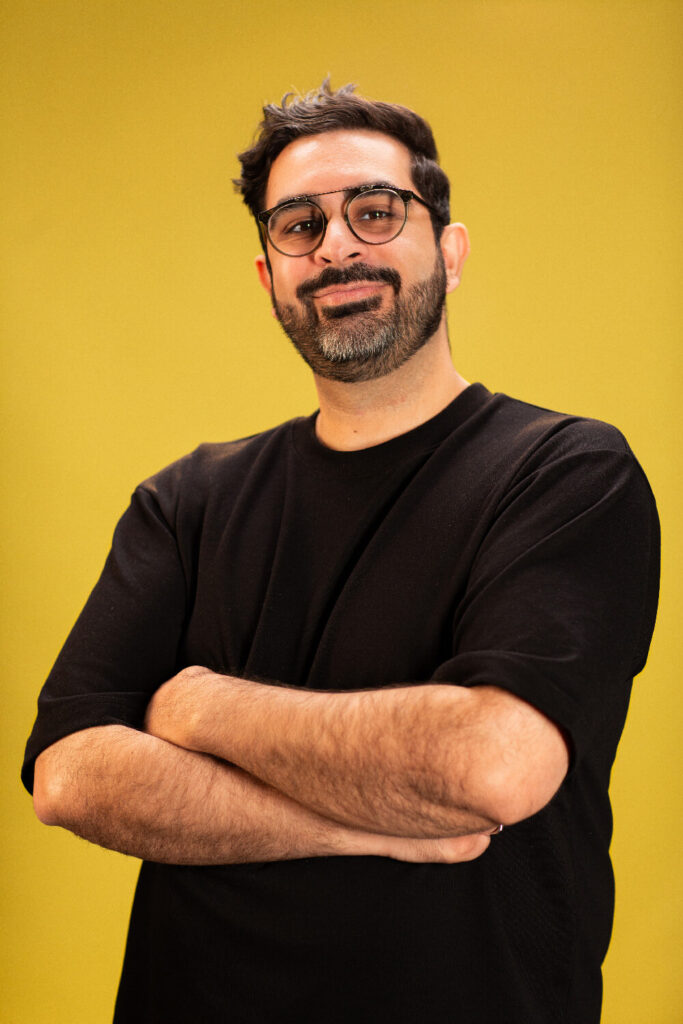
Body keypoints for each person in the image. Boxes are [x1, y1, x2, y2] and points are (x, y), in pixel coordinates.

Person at [23, 81, 659, 1024]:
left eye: (374, 211)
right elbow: (70, 775)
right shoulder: (185, 502)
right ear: (268, 278)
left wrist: (197, 705)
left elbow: (493, 765)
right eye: (299, 225)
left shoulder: (564, 472)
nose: (334, 247)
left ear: (449, 250)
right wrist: (377, 826)